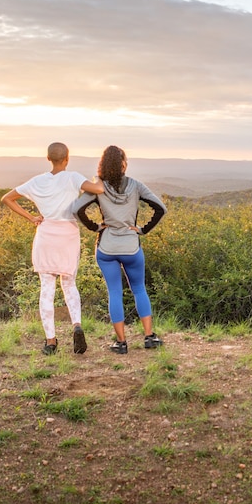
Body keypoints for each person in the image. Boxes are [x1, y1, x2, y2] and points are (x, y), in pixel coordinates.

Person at [1, 142, 104, 355]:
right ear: (67, 158)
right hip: (67, 235)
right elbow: (99, 190)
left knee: (46, 289)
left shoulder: (37, 181)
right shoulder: (73, 177)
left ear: (48, 158)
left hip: (46, 234)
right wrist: (98, 177)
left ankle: (50, 341)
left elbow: (7, 198)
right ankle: (76, 325)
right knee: (69, 283)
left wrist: (31, 217)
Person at [73, 145, 167, 354]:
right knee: (139, 289)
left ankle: (121, 343)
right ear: (123, 163)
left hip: (106, 247)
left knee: (114, 292)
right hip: (131, 246)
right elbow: (161, 208)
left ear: (103, 164)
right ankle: (149, 337)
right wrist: (143, 230)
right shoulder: (136, 185)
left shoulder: (98, 187)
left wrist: (95, 226)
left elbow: (76, 209)